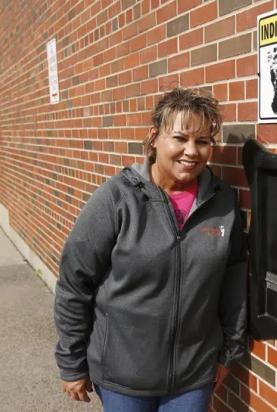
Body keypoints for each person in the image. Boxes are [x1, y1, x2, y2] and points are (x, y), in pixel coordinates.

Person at [54, 87, 247, 411]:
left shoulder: (223, 202)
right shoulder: (118, 198)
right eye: (180, 138)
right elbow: (74, 282)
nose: (191, 151)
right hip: (123, 376)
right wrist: (71, 361)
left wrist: (230, 351)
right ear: (155, 138)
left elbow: (234, 283)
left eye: (202, 141)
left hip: (193, 376)